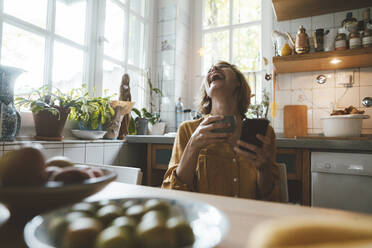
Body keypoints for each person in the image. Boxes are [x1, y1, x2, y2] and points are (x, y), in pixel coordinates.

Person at [162, 61, 281, 201]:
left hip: (249, 219)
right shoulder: (187, 130)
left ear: (238, 82)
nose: (213, 68)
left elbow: (271, 200)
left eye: (223, 67)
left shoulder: (264, 134)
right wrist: (192, 146)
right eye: (209, 70)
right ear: (206, 91)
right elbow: (172, 195)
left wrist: (264, 169)